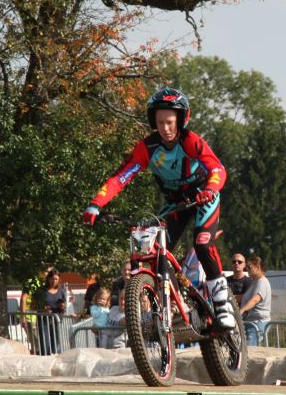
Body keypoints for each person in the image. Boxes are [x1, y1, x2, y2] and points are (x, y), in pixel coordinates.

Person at [82, 87, 233, 327]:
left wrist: (211, 189)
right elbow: (120, 178)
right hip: (175, 203)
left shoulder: (191, 141)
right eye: (160, 122)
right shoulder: (147, 148)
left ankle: (223, 305)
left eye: (171, 122)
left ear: (181, 120)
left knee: (202, 242)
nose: (165, 128)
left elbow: (217, 169)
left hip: (202, 197)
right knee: (154, 252)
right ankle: (177, 303)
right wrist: (96, 204)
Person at [238, 256, 271, 346]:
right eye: (247, 267)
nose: (247, 269)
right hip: (252, 323)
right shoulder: (255, 282)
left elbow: (255, 300)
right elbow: (245, 297)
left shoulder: (262, 282)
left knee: (250, 350)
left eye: (249, 267)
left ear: (258, 267)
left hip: (257, 324)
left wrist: (242, 310)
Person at [37, 268, 67, 355]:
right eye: (52, 279)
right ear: (48, 279)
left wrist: (62, 306)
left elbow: (64, 307)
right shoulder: (42, 291)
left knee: (55, 344)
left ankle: (54, 360)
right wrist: (43, 309)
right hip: (43, 321)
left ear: (59, 280)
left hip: (56, 320)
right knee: (44, 344)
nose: (54, 281)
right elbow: (33, 306)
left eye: (56, 279)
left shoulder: (61, 291)